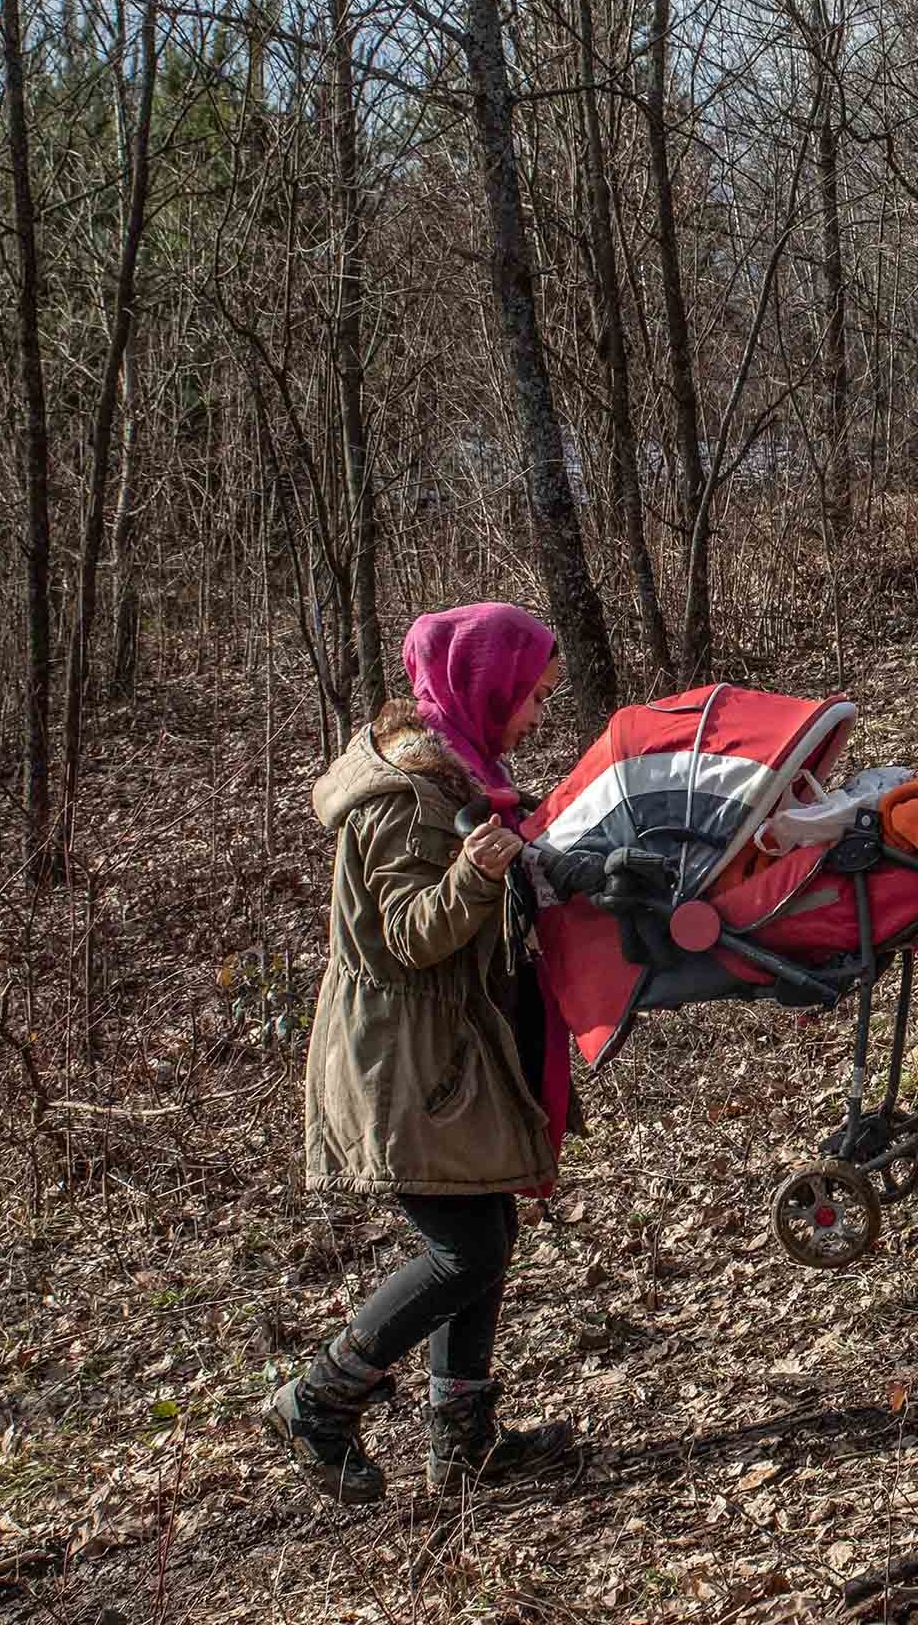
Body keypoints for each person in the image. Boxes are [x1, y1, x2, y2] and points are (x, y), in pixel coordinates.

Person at [259, 603, 577, 1505]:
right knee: (464, 1251)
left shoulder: (467, 771)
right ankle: (319, 1400)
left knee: (486, 1227)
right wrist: (479, 873)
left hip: (445, 1044)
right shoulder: (408, 797)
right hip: (400, 1056)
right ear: (485, 686)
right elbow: (405, 934)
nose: (536, 717)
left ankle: (463, 1442)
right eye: (530, 698)